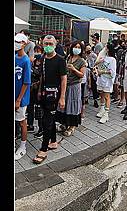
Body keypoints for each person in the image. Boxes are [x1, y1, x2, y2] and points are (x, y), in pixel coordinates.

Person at [33, 35, 67, 164]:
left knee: (47, 120)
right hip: (43, 93)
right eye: (46, 43)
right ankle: (53, 141)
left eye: (50, 43)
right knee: (48, 118)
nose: (48, 45)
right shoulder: (42, 58)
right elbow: (41, 76)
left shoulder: (60, 60)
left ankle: (43, 149)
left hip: (55, 94)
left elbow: (64, 79)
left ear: (55, 44)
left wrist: (62, 97)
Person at [56, 41, 87, 136]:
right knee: (65, 103)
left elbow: (82, 75)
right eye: (75, 47)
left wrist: (74, 69)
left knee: (73, 104)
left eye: (78, 47)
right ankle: (64, 123)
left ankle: (72, 126)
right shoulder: (68, 57)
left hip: (75, 86)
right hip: (66, 84)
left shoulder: (82, 61)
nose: (76, 49)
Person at [15, 33, 32, 160]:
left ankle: (23, 146)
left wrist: (19, 99)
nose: (16, 43)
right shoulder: (15, 57)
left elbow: (26, 82)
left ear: (24, 43)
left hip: (21, 98)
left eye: (19, 41)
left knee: (22, 122)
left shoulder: (26, 60)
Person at [95, 45, 117, 124]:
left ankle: (106, 114)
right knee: (101, 95)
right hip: (101, 79)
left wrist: (103, 72)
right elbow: (96, 65)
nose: (104, 49)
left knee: (107, 96)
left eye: (106, 47)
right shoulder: (102, 57)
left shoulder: (112, 59)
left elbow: (113, 72)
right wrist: (99, 63)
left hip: (107, 80)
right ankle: (102, 109)